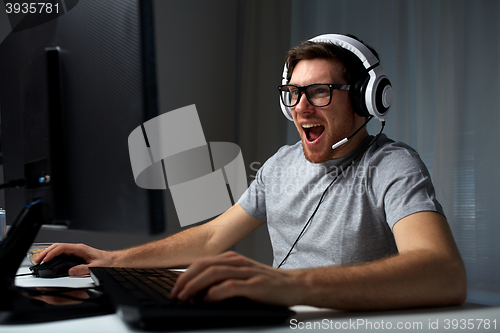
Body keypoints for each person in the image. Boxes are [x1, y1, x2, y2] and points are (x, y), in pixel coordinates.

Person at [36, 34, 466, 310]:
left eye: (319, 92)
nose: (301, 107)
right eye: (293, 94)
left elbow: (441, 271)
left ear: (365, 100)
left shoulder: (392, 165)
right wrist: (114, 261)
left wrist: (291, 286)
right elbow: (210, 238)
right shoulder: (281, 163)